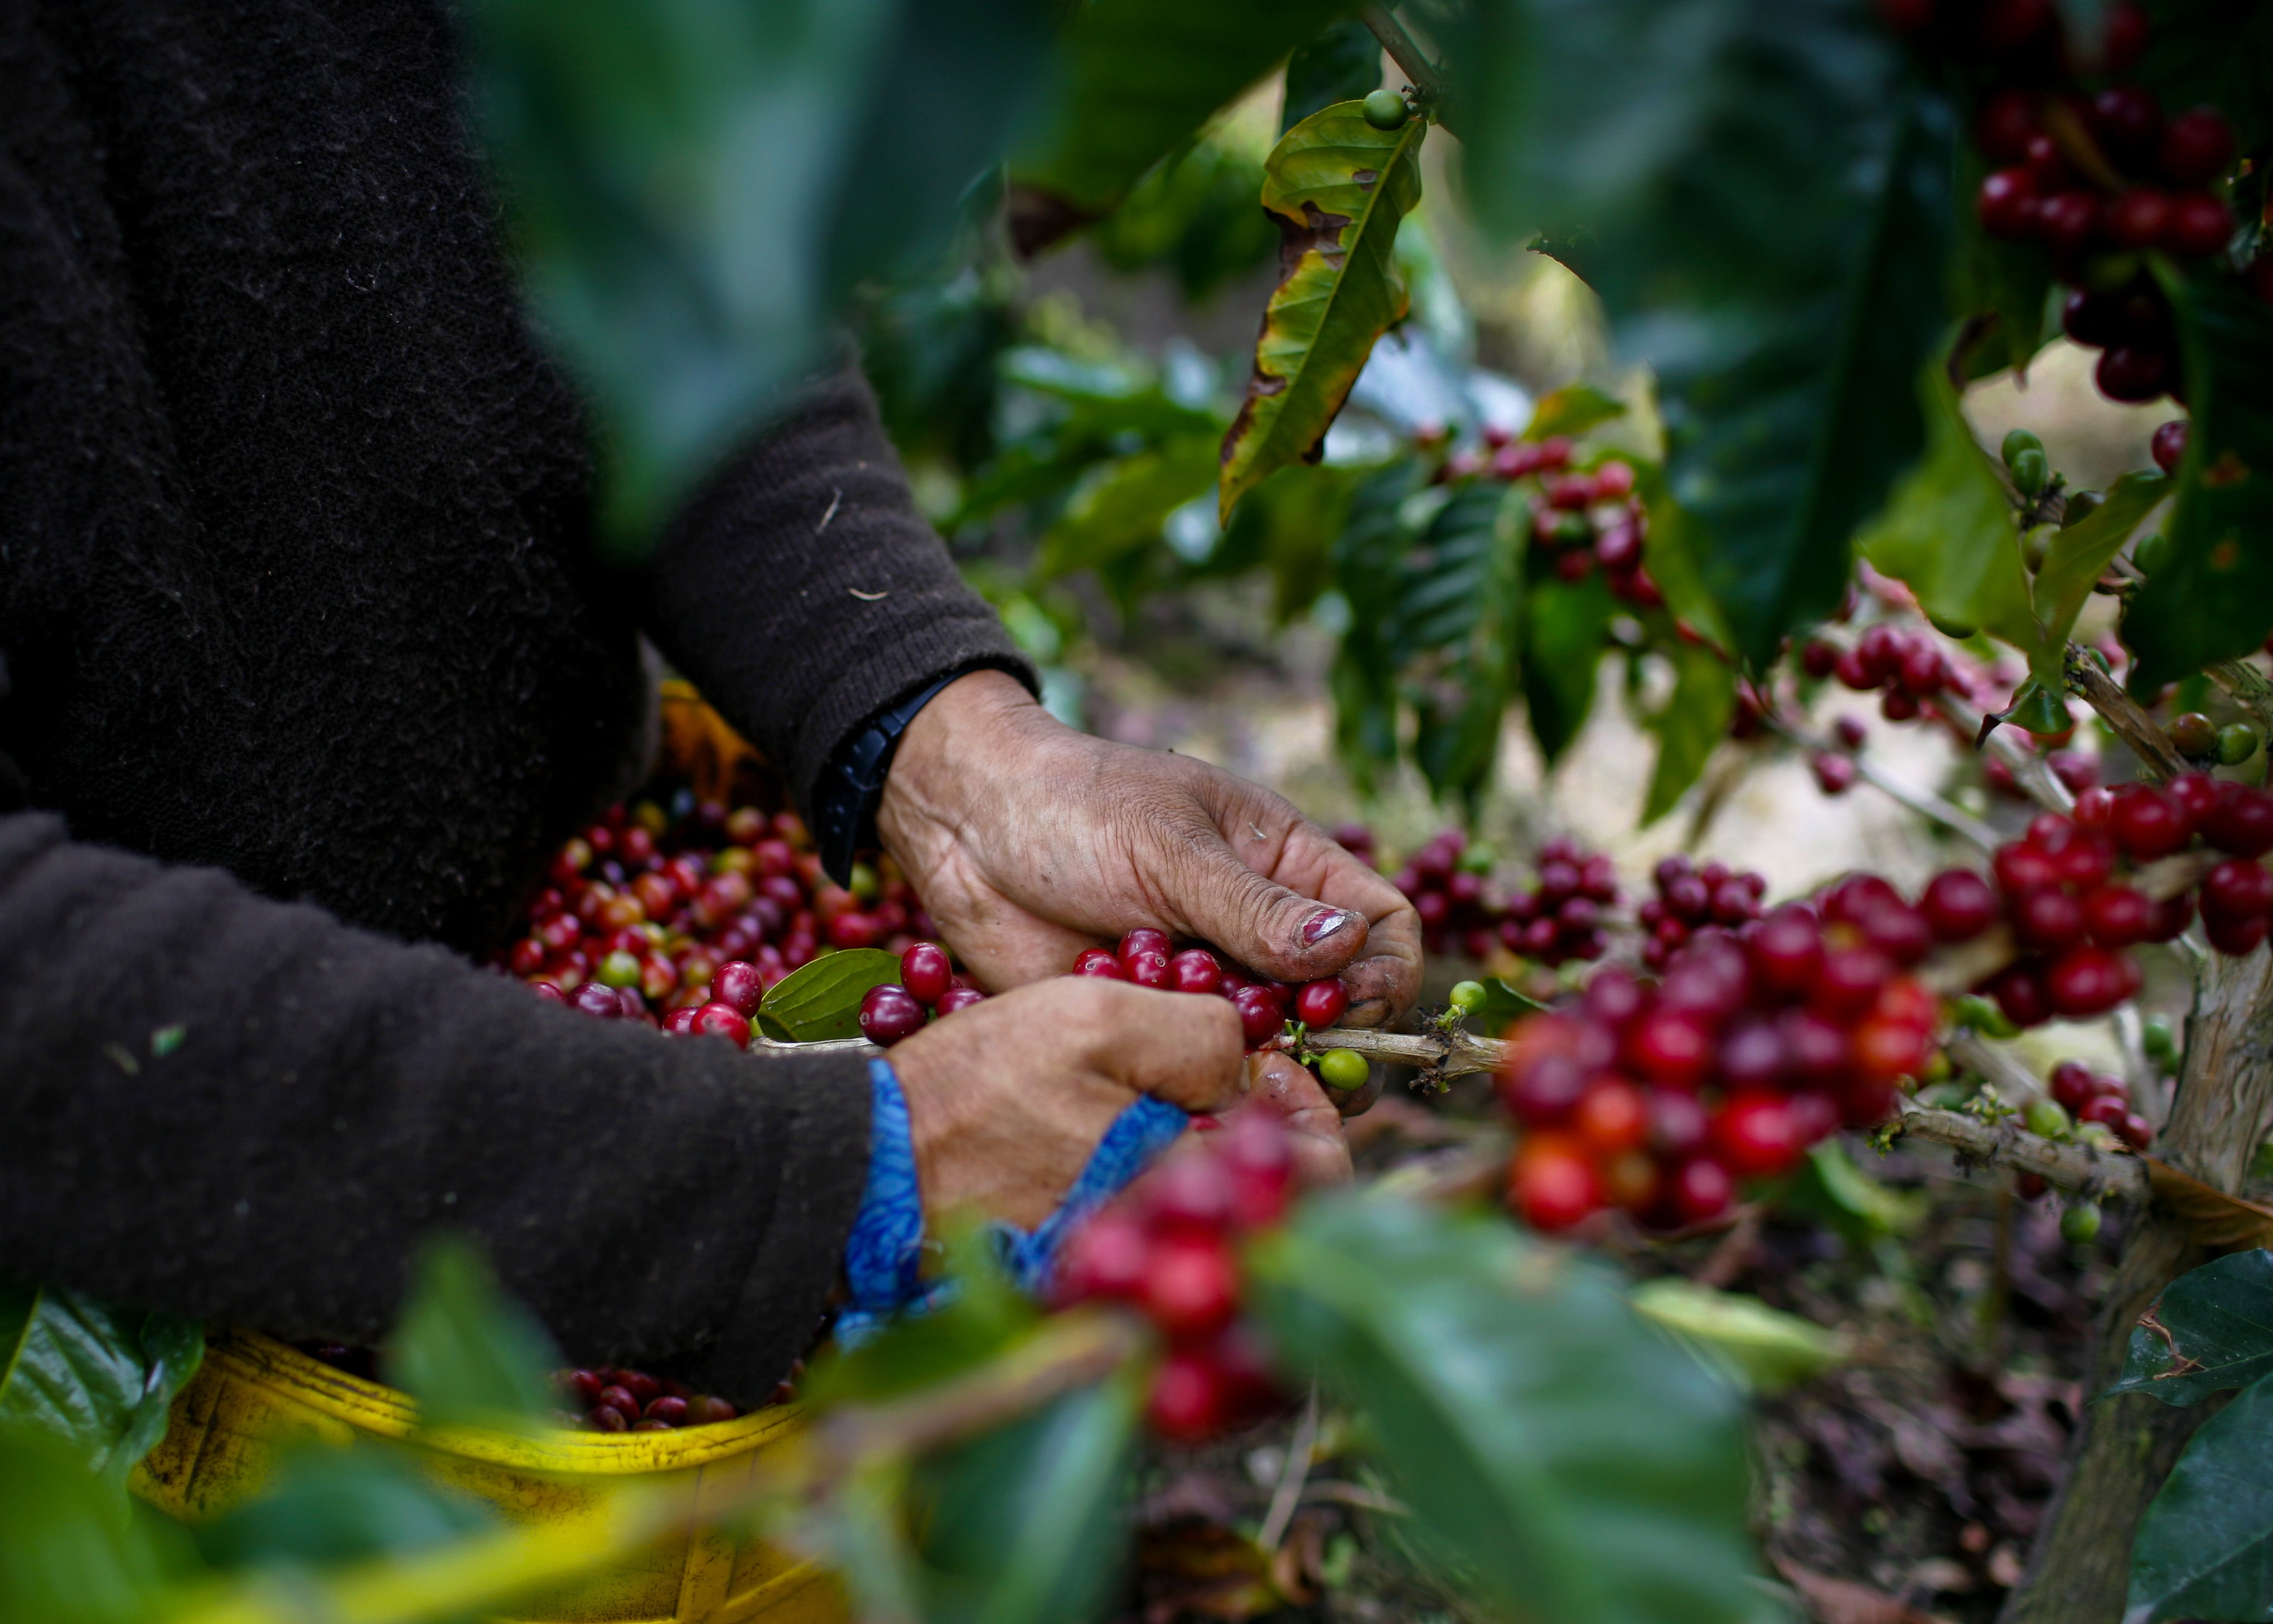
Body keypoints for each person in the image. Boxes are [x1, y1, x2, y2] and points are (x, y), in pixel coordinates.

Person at [0, 1, 1419, 1403]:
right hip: (133, 1240)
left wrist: (955, 749)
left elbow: (654, 286)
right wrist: (838, 1170)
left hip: (548, 1008)